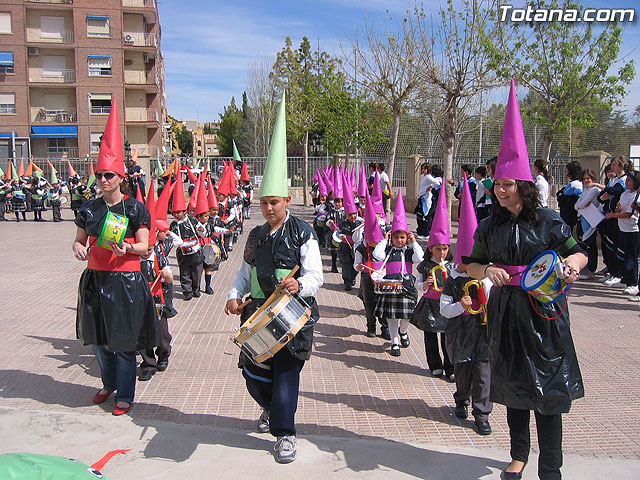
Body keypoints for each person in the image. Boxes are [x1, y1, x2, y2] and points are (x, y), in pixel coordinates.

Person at [466, 81, 586, 480]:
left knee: (549, 392)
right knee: (514, 386)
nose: (499, 190)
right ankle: (518, 455)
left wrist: (574, 265)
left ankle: (550, 466)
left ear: (523, 186)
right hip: (505, 313)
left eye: (506, 184)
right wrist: (487, 272)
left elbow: (578, 250)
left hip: (545, 314)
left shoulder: (548, 220)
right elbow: (469, 265)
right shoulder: (488, 227)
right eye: (496, 184)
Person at [225, 95, 323, 464]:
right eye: (264, 202)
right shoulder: (255, 235)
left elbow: (315, 275)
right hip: (255, 313)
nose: (269, 208)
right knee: (253, 375)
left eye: (275, 201)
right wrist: (235, 295)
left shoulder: (303, 232)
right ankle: (270, 411)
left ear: (287, 199)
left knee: (285, 377)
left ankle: (285, 433)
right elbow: (245, 271)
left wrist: (301, 286)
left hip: (292, 318)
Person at [73, 100, 160, 416]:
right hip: (95, 278)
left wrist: (127, 249)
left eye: (108, 175)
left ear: (121, 177)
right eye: (99, 175)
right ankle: (108, 383)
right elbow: (79, 241)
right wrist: (79, 249)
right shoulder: (89, 208)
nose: (102, 180)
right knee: (98, 339)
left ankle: (125, 393)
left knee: (122, 341)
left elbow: (146, 246)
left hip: (125, 280)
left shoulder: (136, 209)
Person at [440, 175, 492, 436]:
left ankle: (482, 413)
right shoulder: (452, 282)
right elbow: (444, 310)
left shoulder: (486, 280)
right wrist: (461, 305)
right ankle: (461, 399)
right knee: (462, 372)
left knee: (483, 373)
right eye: (463, 263)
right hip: (459, 334)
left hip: (483, 334)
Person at [372, 191, 423, 357]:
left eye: (402, 237)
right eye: (396, 237)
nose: (399, 240)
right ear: (392, 237)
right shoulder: (387, 249)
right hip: (390, 286)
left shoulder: (409, 251)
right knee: (392, 316)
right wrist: (384, 240)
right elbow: (377, 255)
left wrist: (414, 242)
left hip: (407, 286)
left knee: (407, 315)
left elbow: (420, 258)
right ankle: (394, 341)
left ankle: (403, 331)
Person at [415, 184, 454, 379]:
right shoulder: (425, 266)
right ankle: (434, 364)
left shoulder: (452, 266)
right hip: (430, 304)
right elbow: (417, 284)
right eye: (437, 249)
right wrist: (425, 284)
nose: (441, 252)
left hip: (446, 304)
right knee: (430, 336)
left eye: (445, 249)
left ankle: (451, 366)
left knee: (447, 337)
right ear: (430, 249)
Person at [138, 219, 175, 381]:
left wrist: (168, 277)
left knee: (162, 334)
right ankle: (147, 364)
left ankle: (163, 355)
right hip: (139, 302)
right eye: (144, 249)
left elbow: (169, 277)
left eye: (150, 249)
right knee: (142, 334)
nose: (146, 253)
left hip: (157, 301)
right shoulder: (133, 261)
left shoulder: (159, 259)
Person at [354, 190, 390, 339]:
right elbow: (356, 264)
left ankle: (386, 328)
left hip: (382, 280)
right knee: (369, 305)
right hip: (367, 281)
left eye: (376, 242)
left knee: (383, 303)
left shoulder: (384, 247)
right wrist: (360, 267)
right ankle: (371, 327)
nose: (374, 244)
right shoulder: (361, 248)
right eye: (371, 242)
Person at [605, 171, 640, 296]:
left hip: (632, 230)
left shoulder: (636, 195)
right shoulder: (625, 194)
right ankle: (624, 279)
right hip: (622, 228)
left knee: (631, 257)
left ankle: (633, 283)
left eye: (629, 180)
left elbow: (629, 214)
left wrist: (613, 215)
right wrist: (617, 209)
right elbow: (619, 210)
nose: (627, 182)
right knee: (622, 255)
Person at [599, 156, 630, 286]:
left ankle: (619, 273)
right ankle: (612, 271)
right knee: (609, 245)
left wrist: (597, 185)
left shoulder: (624, 180)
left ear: (622, 166)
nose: (612, 168)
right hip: (609, 216)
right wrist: (603, 197)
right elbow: (603, 197)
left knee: (618, 247)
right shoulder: (613, 180)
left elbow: (614, 191)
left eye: (615, 166)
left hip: (619, 218)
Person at [574, 169, 603, 279]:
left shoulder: (594, 190)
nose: (586, 181)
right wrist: (581, 205)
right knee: (583, 244)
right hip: (582, 219)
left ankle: (590, 269)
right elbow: (577, 205)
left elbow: (583, 203)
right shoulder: (585, 190)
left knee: (590, 245)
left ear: (593, 179)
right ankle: (584, 267)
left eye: (588, 178)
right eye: (584, 178)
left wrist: (581, 204)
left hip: (591, 221)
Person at [555, 160, 583, 232]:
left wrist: (561, 195)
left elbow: (561, 197)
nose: (566, 174)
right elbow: (559, 193)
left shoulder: (574, 185)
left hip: (570, 213)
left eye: (568, 172)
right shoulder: (576, 183)